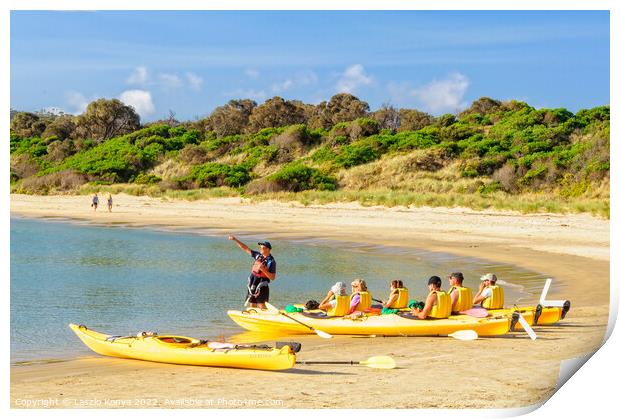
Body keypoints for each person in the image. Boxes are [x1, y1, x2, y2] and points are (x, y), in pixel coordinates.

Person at [229, 235, 276, 309]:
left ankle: (265, 318)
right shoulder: (258, 255)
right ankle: (253, 317)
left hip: (262, 284)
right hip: (253, 282)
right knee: (252, 304)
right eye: (260, 247)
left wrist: (263, 270)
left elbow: (272, 277)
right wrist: (235, 239)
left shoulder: (271, 262)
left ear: (268, 249)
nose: (261, 249)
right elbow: (245, 248)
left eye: (263, 248)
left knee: (261, 305)